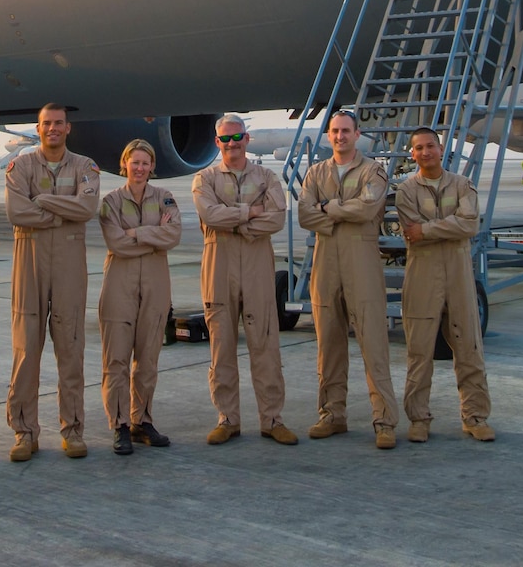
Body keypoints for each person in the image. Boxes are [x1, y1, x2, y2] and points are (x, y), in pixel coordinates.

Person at [190, 114, 297, 446]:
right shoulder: (203, 179)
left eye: (237, 138)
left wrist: (233, 220)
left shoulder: (266, 176)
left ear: (247, 139)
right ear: (216, 142)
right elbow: (209, 214)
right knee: (221, 346)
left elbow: (277, 218)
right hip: (218, 263)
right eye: (225, 139)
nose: (231, 144)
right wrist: (249, 212)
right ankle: (227, 419)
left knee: (265, 343)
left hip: (255, 262)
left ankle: (272, 419)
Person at [299, 110, 400, 449]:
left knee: (373, 341)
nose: (340, 136)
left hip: (361, 258)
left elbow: (368, 209)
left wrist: (328, 209)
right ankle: (332, 415)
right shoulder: (316, 172)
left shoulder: (373, 171)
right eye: (335, 131)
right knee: (328, 343)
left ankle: (384, 420)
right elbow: (303, 214)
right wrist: (339, 212)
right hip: (325, 259)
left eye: (346, 131)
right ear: (329, 136)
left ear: (358, 134)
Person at [5, 104, 100, 461]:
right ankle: (24, 432)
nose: (53, 129)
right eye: (47, 124)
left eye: (58, 123)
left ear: (68, 127)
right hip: (29, 260)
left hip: (69, 264)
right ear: (38, 128)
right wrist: (64, 208)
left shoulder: (85, 167)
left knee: (70, 349)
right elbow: (17, 212)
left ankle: (72, 430)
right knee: (26, 350)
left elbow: (87, 209)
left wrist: (42, 200)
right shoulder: (21, 166)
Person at [395, 127, 494, 443]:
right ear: (413, 154)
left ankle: (475, 417)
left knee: (469, 345)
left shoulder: (462, 184)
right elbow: (411, 230)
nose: (425, 152)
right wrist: (441, 229)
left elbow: (470, 224)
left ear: (441, 150)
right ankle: (418, 419)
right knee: (419, 349)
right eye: (419, 148)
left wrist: (427, 230)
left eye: (430, 146)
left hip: (458, 269)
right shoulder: (407, 190)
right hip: (422, 271)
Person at [97, 139, 182, 455]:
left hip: (156, 281)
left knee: (148, 357)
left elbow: (173, 234)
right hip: (120, 278)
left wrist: (135, 233)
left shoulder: (166, 198)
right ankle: (119, 424)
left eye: (146, 163)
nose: (141, 168)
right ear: (125, 164)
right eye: (135, 162)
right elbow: (116, 244)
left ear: (152, 167)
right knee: (116, 357)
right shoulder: (111, 202)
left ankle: (142, 421)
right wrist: (152, 236)